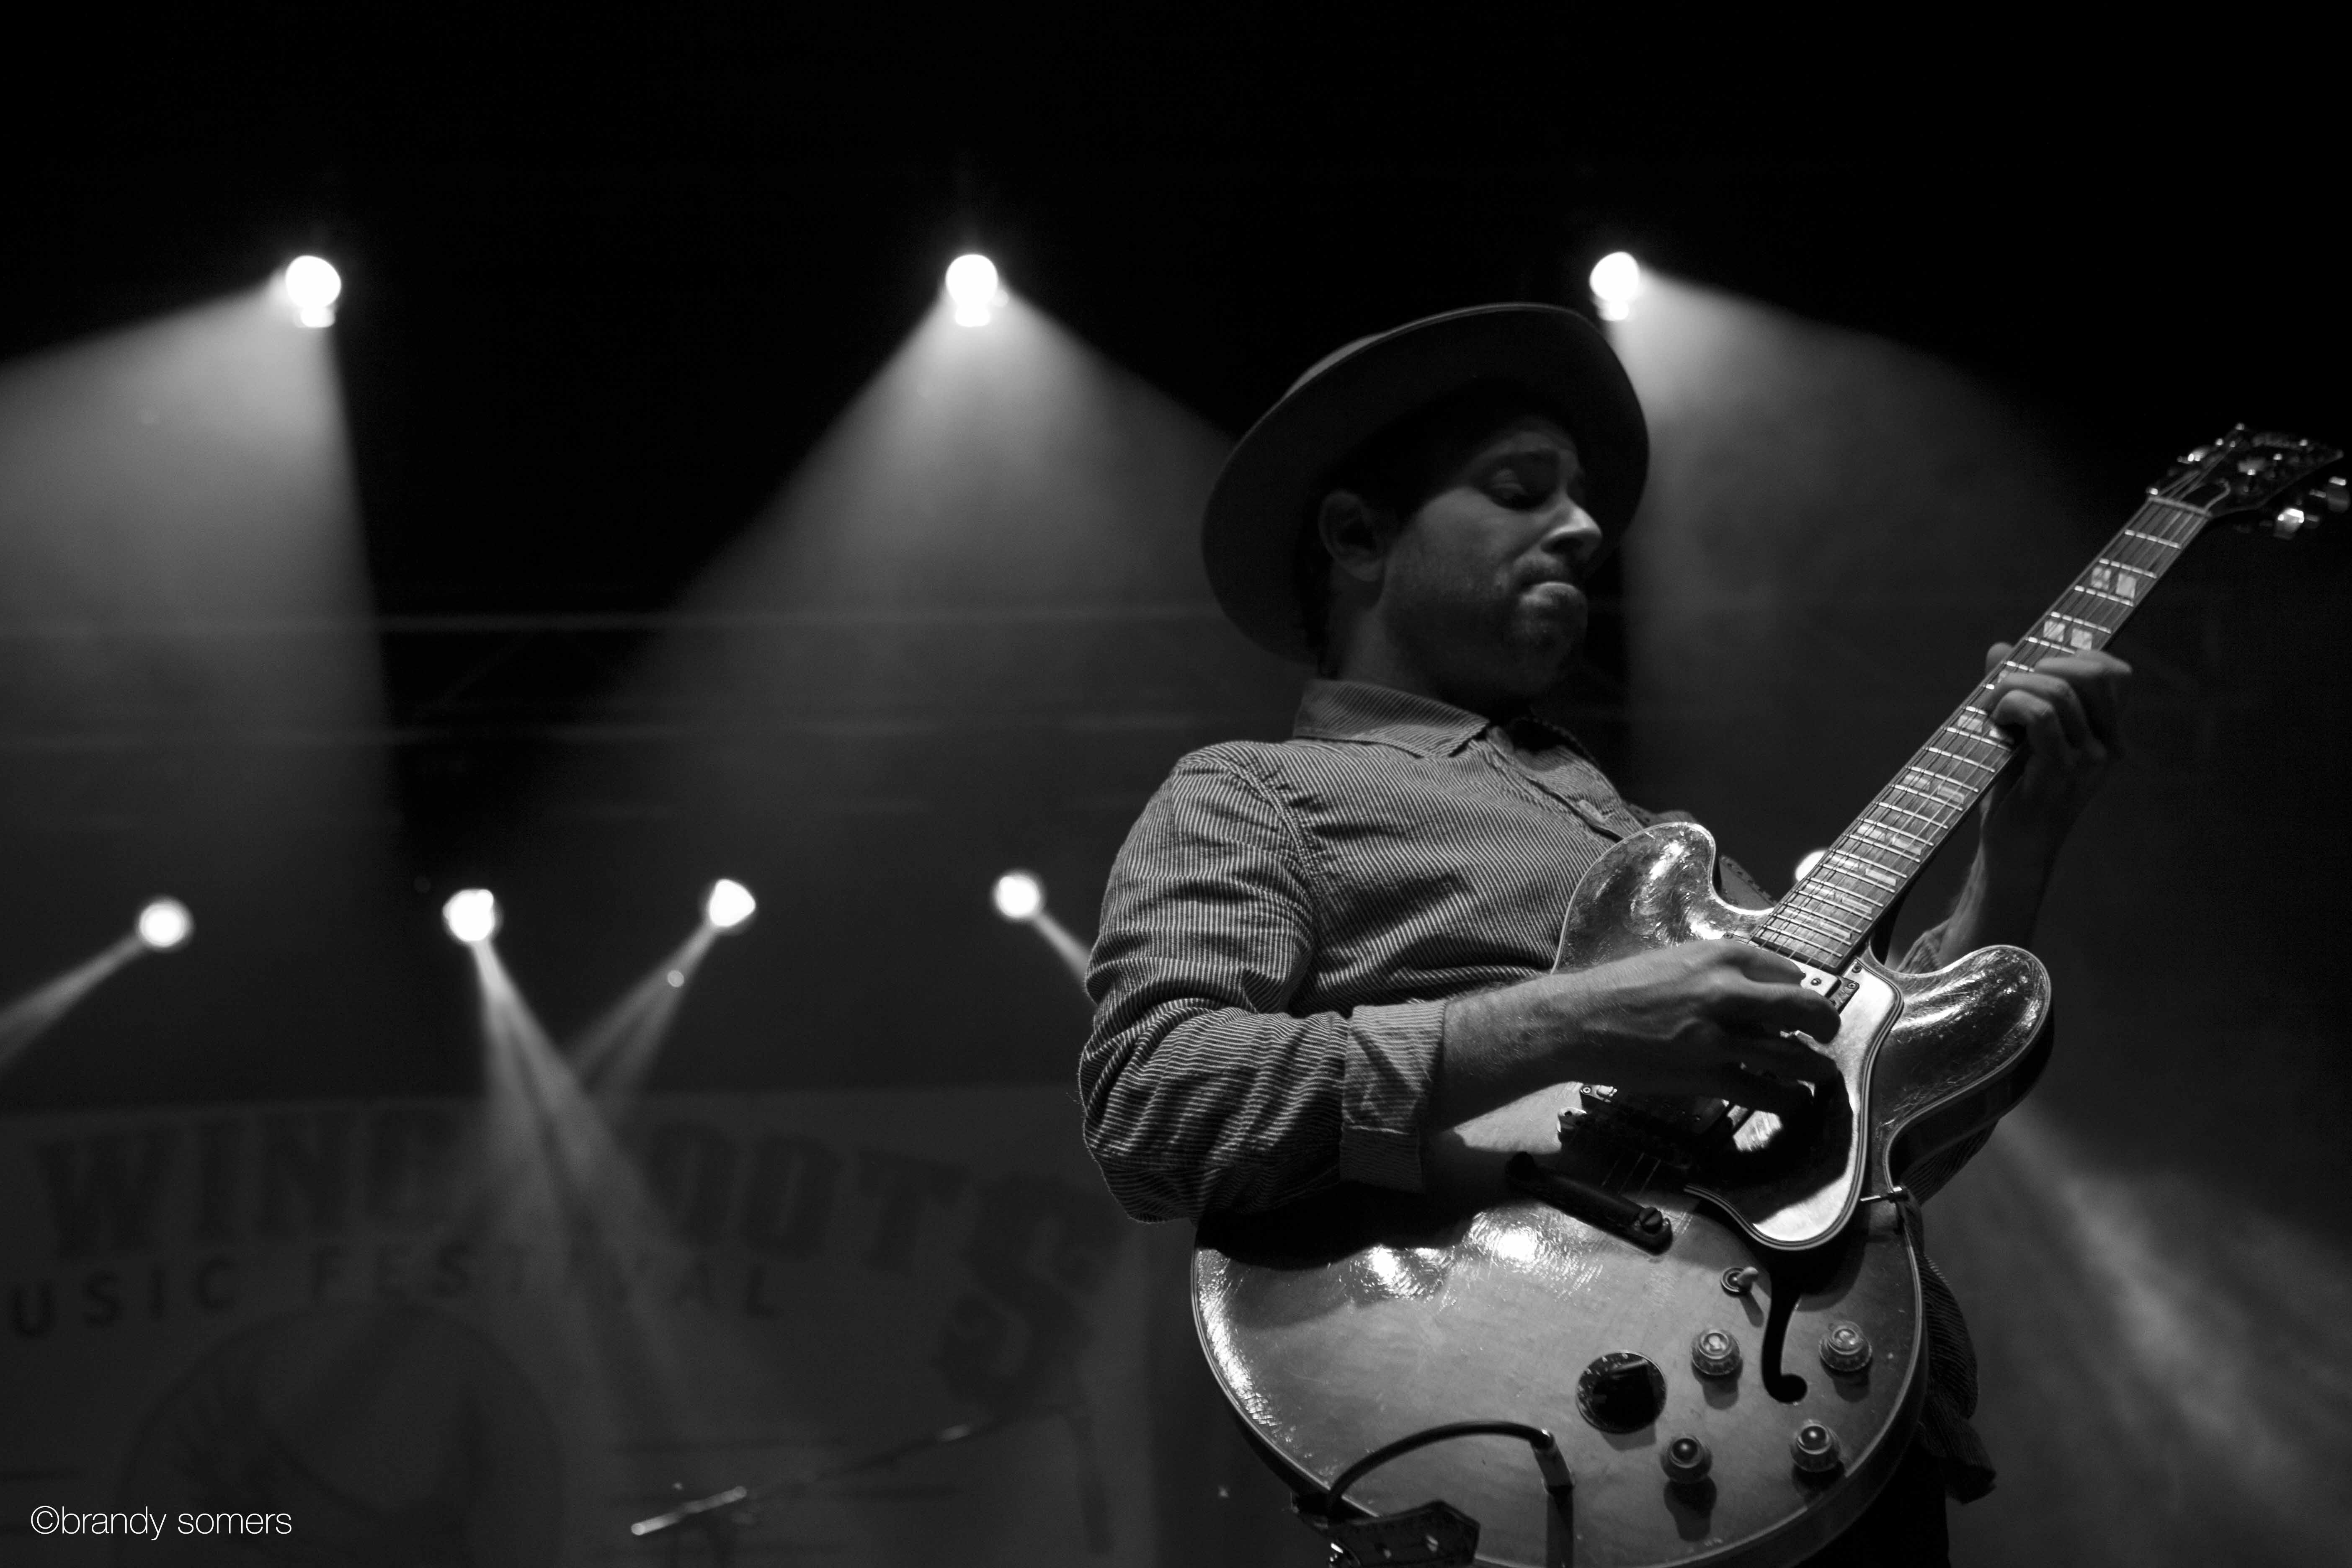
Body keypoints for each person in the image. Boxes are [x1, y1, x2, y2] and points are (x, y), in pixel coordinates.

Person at [1077, 304, 2128, 1564]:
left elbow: (1870, 1139)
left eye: (1580, 499)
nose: (1583, 528)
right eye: (1521, 489)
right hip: (1526, 1427)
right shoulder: (1250, 793)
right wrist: (1581, 1022)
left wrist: (2019, 843)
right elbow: (1157, 1104)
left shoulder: (1664, 848)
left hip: (1846, 1432)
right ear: (1357, 535)